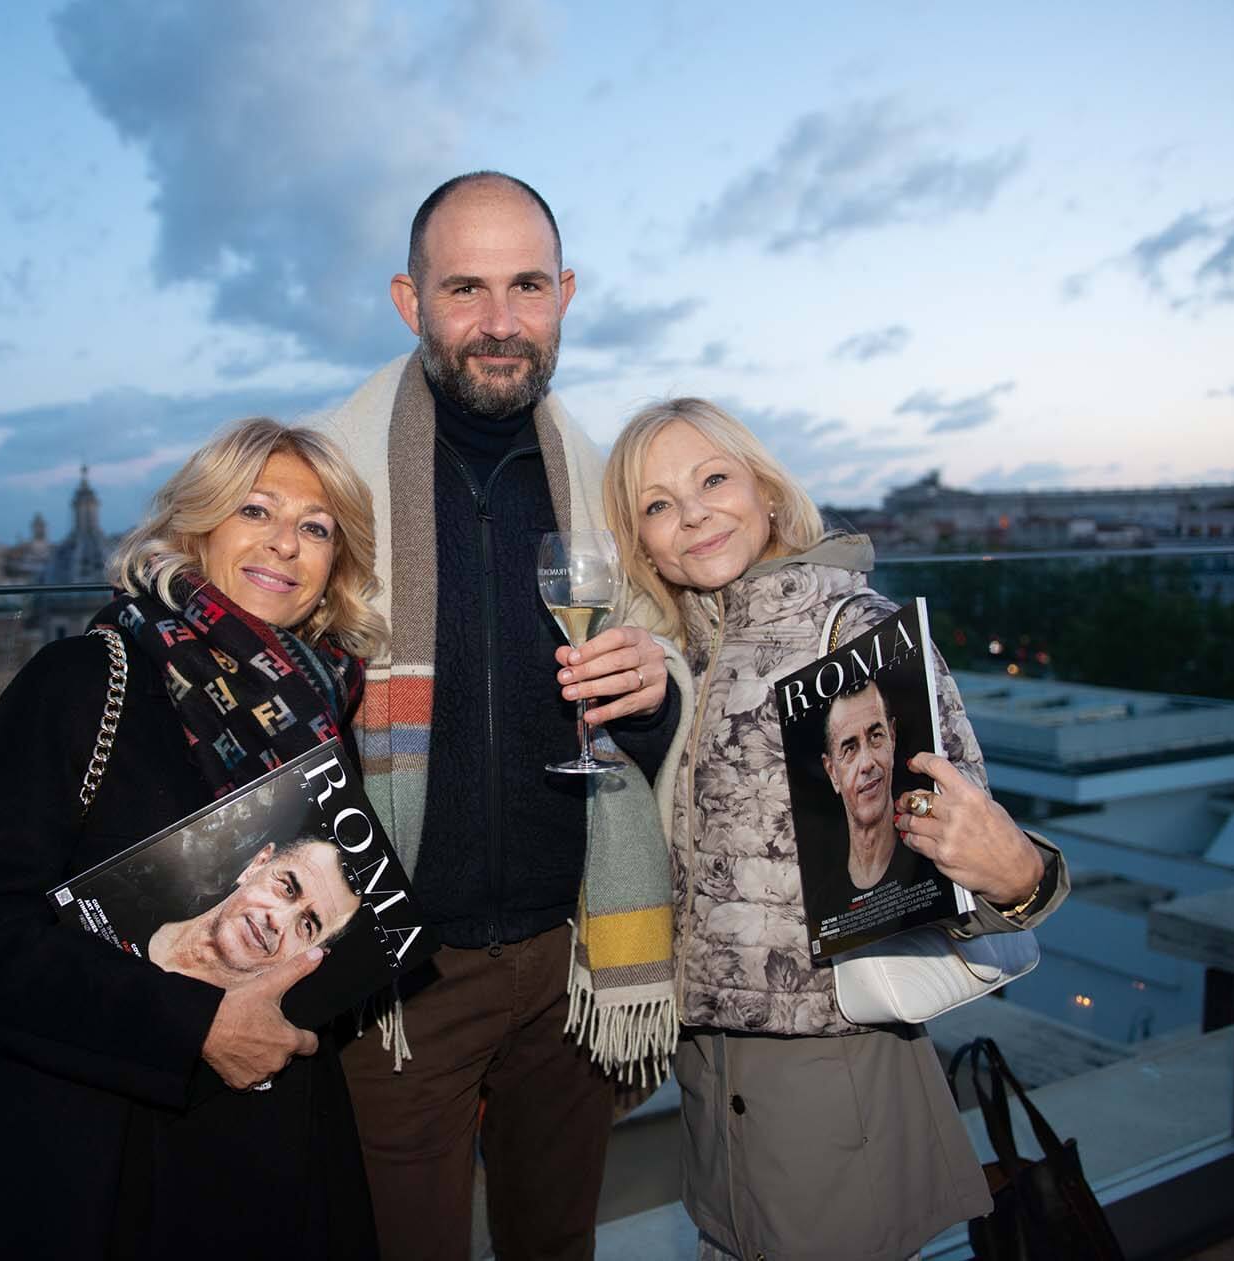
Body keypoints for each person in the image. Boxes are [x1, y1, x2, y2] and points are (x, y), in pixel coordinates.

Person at [602, 397, 1070, 1261]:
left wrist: (1020, 879)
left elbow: (962, 848)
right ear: (642, 542)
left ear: (769, 493)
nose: (692, 512)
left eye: (712, 479)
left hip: (829, 1063)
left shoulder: (856, 633)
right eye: (657, 504)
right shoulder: (687, 653)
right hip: (712, 1068)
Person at [0, 418, 388, 1259]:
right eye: (256, 510)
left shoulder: (320, 709)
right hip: (111, 1167)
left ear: (334, 567)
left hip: (285, 1154)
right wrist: (191, 1024)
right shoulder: (82, 680)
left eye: (316, 528)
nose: (285, 544)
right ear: (195, 527)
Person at [321, 171, 681, 1261]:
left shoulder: (612, 483)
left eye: (526, 285)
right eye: (464, 288)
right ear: (408, 301)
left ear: (566, 292)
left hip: (573, 959)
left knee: (553, 1244)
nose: (498, 323)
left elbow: (675, 667)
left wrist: (660, 686)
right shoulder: (327, 480)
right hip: (402, 974)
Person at [148, 836, 363, 988]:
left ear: (314, 953)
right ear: (258, 864)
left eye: (307, 926)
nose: (277, 921)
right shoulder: (132, 895)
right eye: (287, 888)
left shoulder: (247, 1050)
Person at [820, 679, 917, 893]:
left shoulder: (929, 863)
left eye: (876, 736)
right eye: (850, 749)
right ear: (832, 772)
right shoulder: (823, 897)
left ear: (892, 738)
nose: (866, 763)